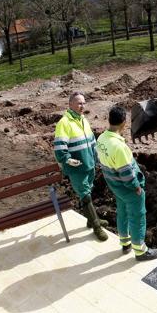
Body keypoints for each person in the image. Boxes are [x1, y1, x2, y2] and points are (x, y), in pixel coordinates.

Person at [96, 106, 157, 260]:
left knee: (122, 212)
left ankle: (125, 243)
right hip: (128, 188)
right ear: (124, 123)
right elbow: (126, 173)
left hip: (115, 185)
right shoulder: (120, 147)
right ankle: (140, 251)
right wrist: (136, 187)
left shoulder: (101, 139)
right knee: (137, 216)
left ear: (109, 120)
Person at [54, 91, 108, 241]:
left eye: (83, 103)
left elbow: (91, 141)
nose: (82, 106)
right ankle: (96, 226)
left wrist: (97, 157)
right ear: (70, 104)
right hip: (76, 168)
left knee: (88, 191)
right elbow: (59, 146)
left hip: (88, 163)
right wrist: (67, 159)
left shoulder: (83, 120)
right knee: (85, 194)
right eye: (79, 103)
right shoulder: (64, 123)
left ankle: (91, 220)